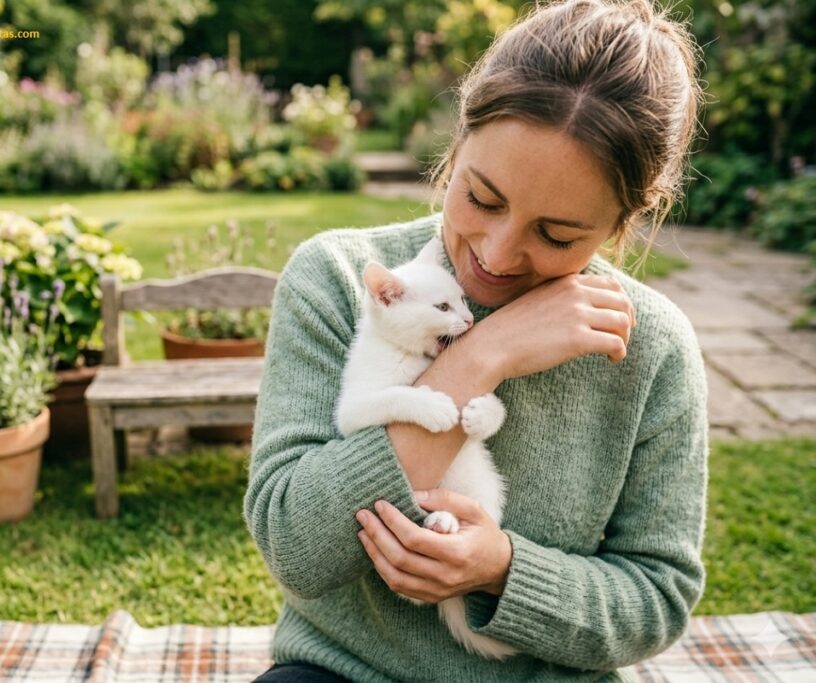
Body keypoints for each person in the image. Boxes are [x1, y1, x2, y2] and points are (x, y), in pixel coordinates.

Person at [244, 0, 707, 680]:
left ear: (621, 224)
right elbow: (296, 548)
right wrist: (482, 356)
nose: (496, 253)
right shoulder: (339, 279)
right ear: (456, 144)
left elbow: (656, 598)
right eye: (483, 198)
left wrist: (504, 570)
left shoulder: (653, 347)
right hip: (344, 671)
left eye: (557, 235)